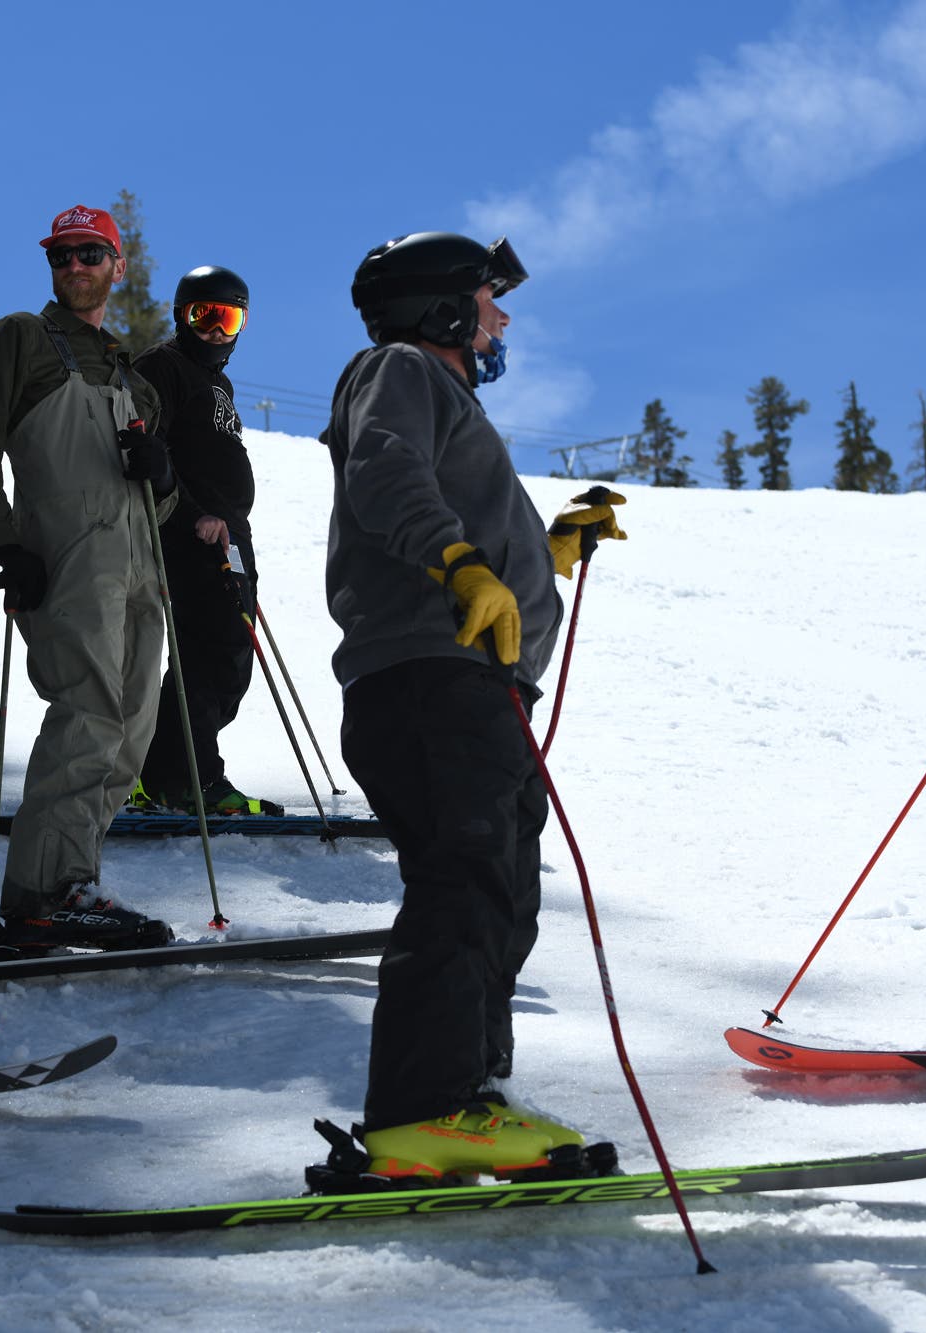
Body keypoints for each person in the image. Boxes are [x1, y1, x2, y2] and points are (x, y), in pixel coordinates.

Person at [320, 232, 626, 1180]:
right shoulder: (401, 369)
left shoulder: (446, 399)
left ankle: (470, 1097)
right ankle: (422, 1111)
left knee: (499, 889)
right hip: (429, 675)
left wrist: (547, 549)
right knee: (465, 881)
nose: (502, 318)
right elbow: (385, 472)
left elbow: (459, 512)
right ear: (443, 306)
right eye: (489, 298)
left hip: (472, 683)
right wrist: (457, 565)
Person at [0, 204, 177, 951]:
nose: (73, 266)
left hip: (140, 573)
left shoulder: (136, 384)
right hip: (68, 564)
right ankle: (43, 892)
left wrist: (164, 476)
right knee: (88, 715)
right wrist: (8, 547)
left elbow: (157, 507)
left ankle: (74, 882)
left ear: (117, 265)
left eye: (89, 254)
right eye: (60, 256)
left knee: (131, 732)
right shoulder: (21, 339)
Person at [128, 265, 281, 817]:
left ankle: (165, 773)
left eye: (228, 319)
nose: (216, 331)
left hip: (227, 536)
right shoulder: (162, 366)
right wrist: (194, 515)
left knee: (230, 657)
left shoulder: (217, 382)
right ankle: (186, 779)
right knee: (210, 653)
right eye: (204, 316)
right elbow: (148, 449)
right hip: (191, 533)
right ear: (181, 316)